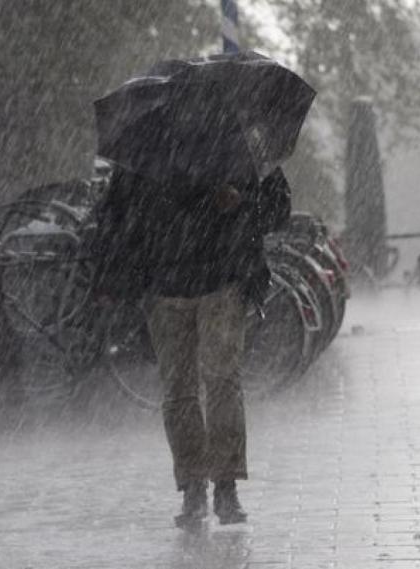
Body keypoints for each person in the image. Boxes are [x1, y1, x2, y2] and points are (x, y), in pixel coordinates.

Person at [91, 165, 290, 528]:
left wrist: (241, 202)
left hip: (220, 281)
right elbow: (119, 217)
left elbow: (277, 210)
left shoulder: (233, 142)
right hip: (167, 287)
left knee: (218, 384)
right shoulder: (152, 150)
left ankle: (222, 486)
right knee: (183, 389)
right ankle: (196, 486)